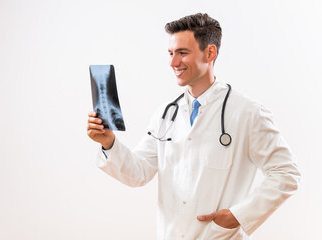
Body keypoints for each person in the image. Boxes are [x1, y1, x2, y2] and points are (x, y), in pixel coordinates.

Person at [87, 13, 300, 240]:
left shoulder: (248, 113)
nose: (173, 62)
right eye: (170, 53)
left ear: (210, 53)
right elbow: (138, 173)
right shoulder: (166, 115)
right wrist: (108, 143)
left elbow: (286, 173)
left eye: (182, 53)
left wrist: (238, 216)